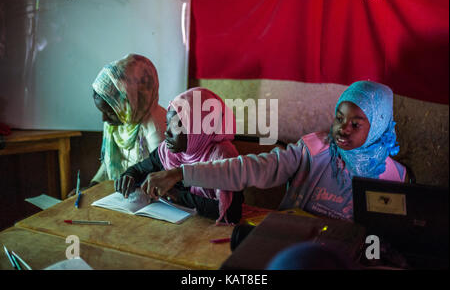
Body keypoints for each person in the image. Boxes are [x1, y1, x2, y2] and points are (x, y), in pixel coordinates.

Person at [140, 81, 407, 221]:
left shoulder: (394, 177)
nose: (343, 129)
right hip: (293, 243)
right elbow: (250, 168)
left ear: (378, 125)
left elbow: (385, 235)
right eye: (339, 118)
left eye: (356, 124)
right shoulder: (312, 150)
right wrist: (181, 174)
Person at [115, 87, 244, 224]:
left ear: (198, 128)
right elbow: (140, 169)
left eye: (176, 127)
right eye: (167, 124)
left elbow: (231, 212)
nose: (167, 133)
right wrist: (128, 177)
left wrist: (175, 195)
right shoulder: (169, 152)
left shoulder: (222, 157)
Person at [69, 54, 166, 196]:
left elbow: (160, 173)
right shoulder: (120, 117)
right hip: (120, 194)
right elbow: (109, 161)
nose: (104, 119)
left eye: (109, 112)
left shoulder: (155, 126)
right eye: (102, 112)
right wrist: (92, 186)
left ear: (129, 102)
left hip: (146, 197)